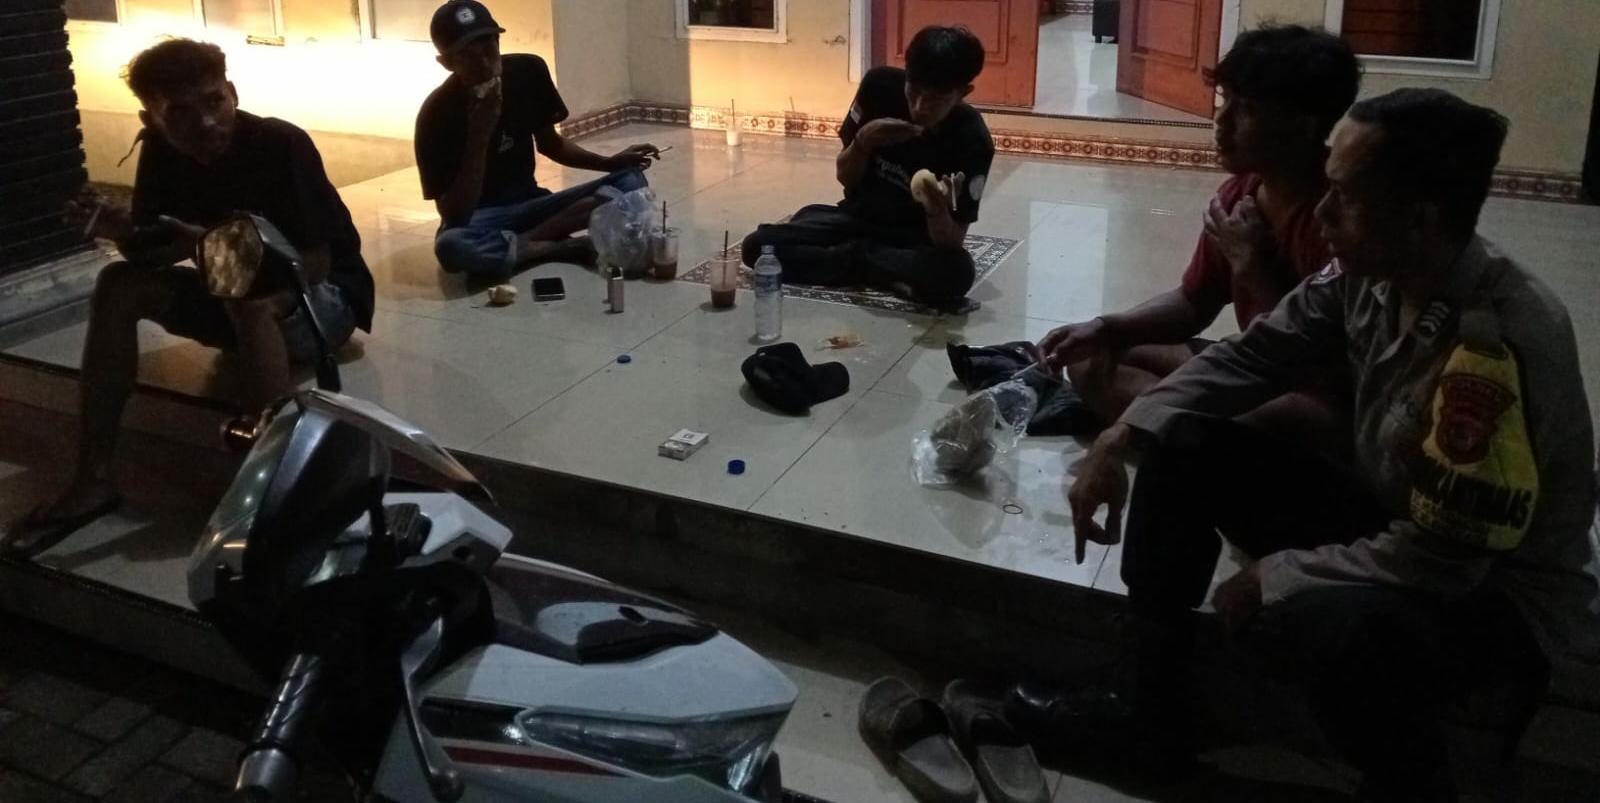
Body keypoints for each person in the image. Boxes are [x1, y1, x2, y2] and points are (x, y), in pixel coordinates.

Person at [1059, 89, 1597, 802]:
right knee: (1182, 442)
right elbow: (1254, 354)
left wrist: (1283, 572)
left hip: (1491, 590)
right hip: (1397, 523)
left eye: (1344, 196)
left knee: (1314, 625)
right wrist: (1121, 434)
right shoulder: (1368, 275)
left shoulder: (1502, 340)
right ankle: (1144, 716)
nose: (1321, 214)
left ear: (1419, 219)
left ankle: (1415, 785)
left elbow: (1449, 559)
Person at [0, 39, 374, 557]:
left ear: (233, 93)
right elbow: (155, 251)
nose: (205, 123)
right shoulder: (159, 151)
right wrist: (122, 232)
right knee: (118, 284)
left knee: (248, 301)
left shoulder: (279, 144)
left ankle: (276, 490)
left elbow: (314, 265)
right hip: (231, 292)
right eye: (179, 113)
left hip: (321, 304)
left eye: (214, 101)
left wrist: (210, 245)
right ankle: (93, 478)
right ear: (151, 118)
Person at [1036, 26, 1360, 435]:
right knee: (1089, 359)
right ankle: (1180, 434)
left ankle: (1176, 435)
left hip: (1314, 387)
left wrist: (1253, 267)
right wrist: (1105, 327)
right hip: (1251, 364)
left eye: (1247, 110)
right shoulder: (1240, 195)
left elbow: (1321, 359)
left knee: (1277, 421)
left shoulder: (1337, 216)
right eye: (1225, 100)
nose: (1221, 120)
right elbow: (1194, 302)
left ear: (1304, 124)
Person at [740, 25, 994, 310]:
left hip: (910, 241)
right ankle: (877, 271)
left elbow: (951, 241)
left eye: (936, 99)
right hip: (856, 219)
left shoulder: (972, 139)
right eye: (913, 91)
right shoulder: (879, 88)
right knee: (756, 247)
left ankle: (855, 261)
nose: (919, 107)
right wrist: (862, 142)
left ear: (962, 93)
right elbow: (845, 178)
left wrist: (936, 209)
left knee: (956, 273)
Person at [417, 0, 661, 278]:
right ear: (447, 63)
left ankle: (524, 243)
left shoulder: (527, 71)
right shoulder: (435, 115)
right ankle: (557, 247)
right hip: (481, 218)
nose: (484, 64)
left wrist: (609, 163)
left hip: (533, 204)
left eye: (489, 49)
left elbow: (551, 145)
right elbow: (455, 216)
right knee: (451, 247)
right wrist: (479, 136)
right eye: (468, 57)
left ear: (498, 42)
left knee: (630, 182)